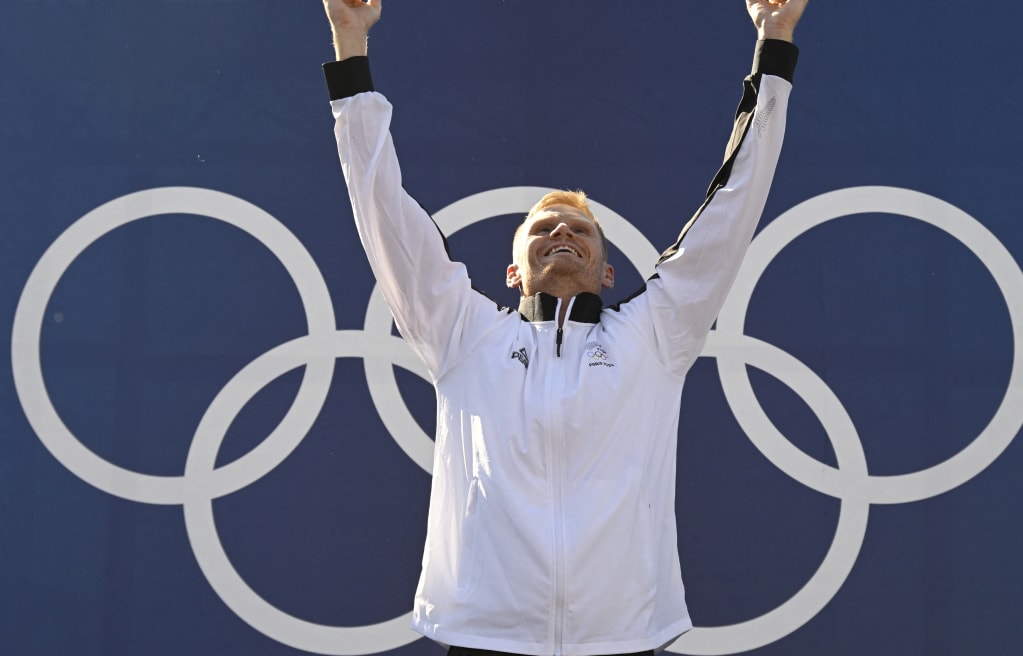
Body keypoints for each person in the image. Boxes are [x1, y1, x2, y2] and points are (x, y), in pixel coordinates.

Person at [320, 1, 808, 655]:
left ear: (608, 272)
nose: (562, 234)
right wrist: (350, 43)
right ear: (513, 272)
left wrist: (774, 44)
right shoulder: (463, 334)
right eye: (543, 228)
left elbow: (735, 201)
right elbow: (381, 206)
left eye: (581, 231)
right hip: (484, 634)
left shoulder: (655, 335)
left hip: (623, 637)